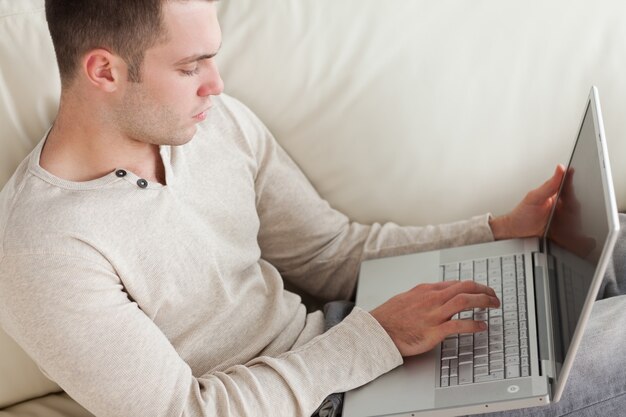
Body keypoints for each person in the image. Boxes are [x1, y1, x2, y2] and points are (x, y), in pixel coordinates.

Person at [0, 1, 623, 416]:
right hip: (322, 398)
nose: (216, 83)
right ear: (104, 71)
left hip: (350, 340)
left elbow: (331, 253)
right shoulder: (42, 249)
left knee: (601, 249)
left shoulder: (212, 124)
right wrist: (374, 340)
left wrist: (496, 232)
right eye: (191, 66)